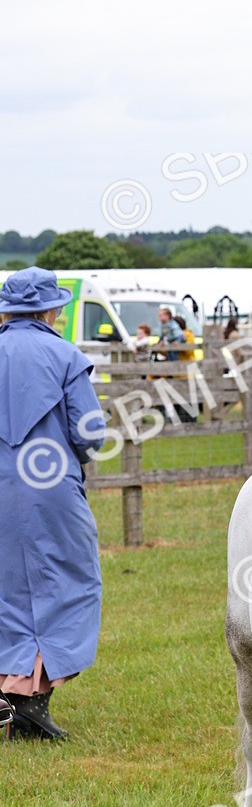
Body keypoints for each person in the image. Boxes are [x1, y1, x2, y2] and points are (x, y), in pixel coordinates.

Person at [0, 267, 105, 739]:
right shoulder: (65, 355)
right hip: (50, 491)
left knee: (6, 587)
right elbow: (89, 432)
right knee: (67, 583)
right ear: (49, 310)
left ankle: (11, 694)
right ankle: (31, 703)